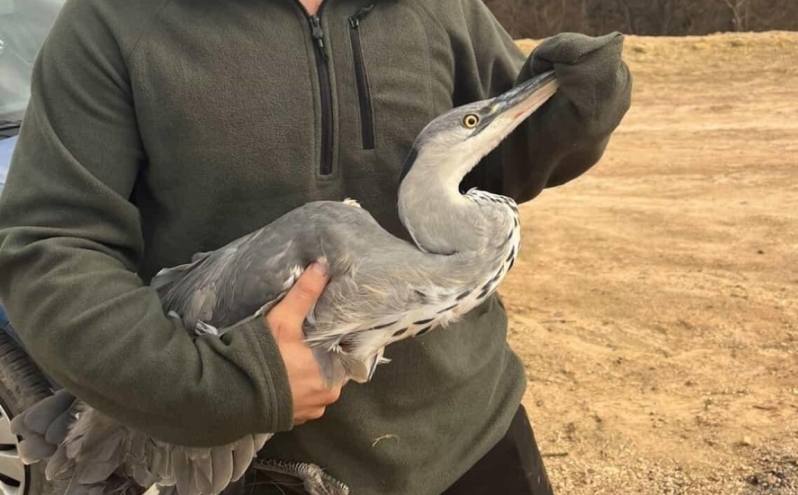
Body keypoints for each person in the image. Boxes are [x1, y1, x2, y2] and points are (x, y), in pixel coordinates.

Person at [0, 0, 632, 493]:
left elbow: (497, 161)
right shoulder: (113, 21)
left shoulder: (437, 7)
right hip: (258, 470)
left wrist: (576, 114)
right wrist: (215, 388)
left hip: (473, 435)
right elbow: (52, 248)